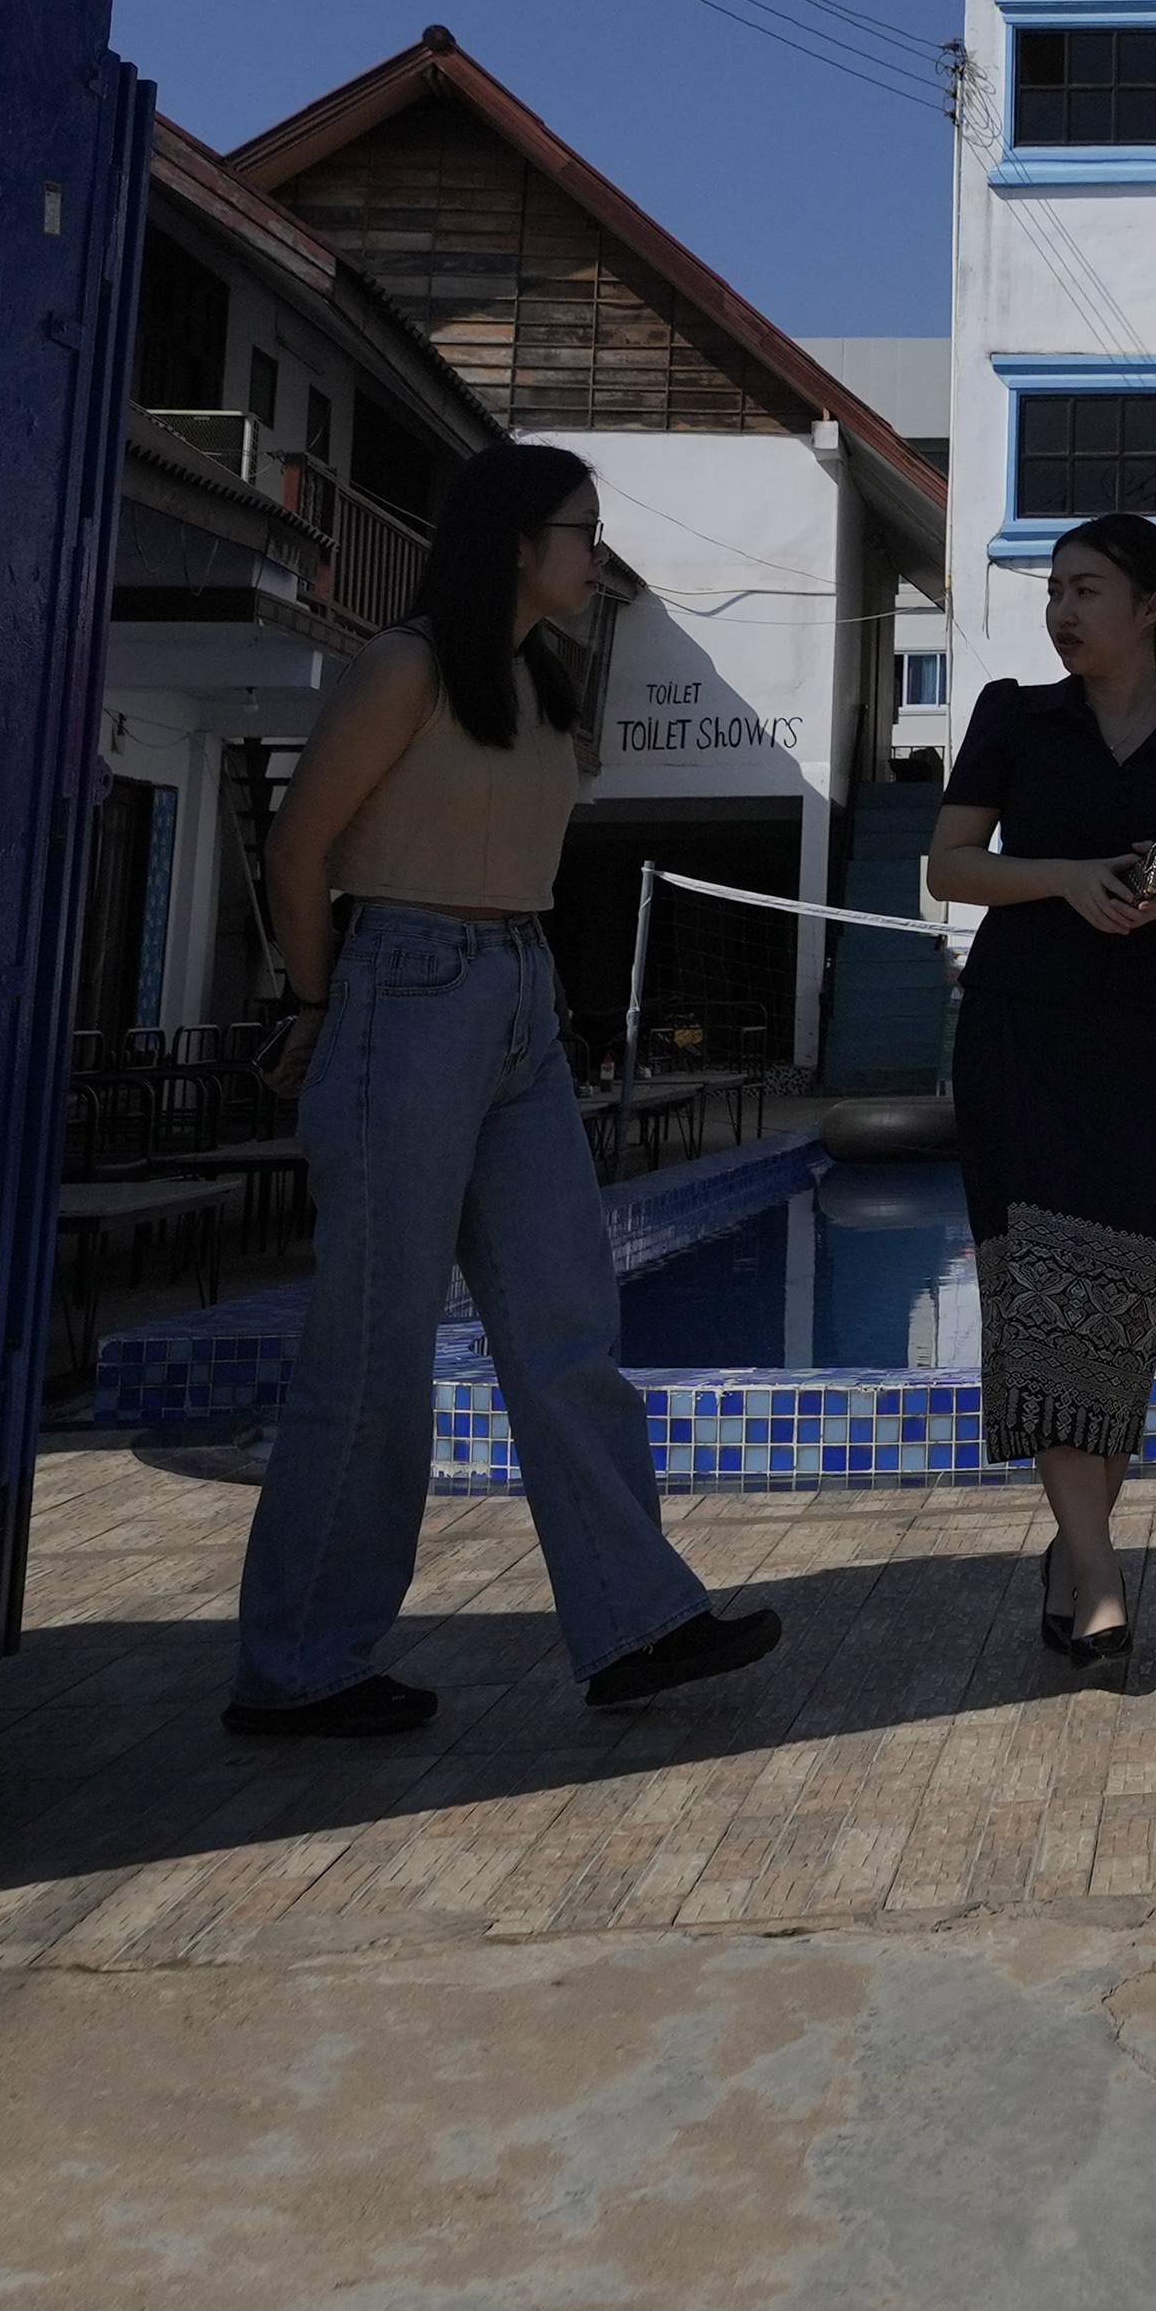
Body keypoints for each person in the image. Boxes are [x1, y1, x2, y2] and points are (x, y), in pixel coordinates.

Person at [224, 440, 781, 1738]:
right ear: (514, 539)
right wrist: (315, 1002)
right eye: (583, 530)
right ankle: (297, 1660)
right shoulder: (404, 667)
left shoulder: (539, 681)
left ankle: (636, 1619)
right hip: (403, 982)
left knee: (564, 1316)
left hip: (518, 991)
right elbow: (298, 843)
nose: (598, 553)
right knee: (373, 1337)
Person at [929, 513, 1156, 1669]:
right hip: (1018, 1034)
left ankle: (1071, 1553)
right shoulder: (1011, 716)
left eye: (1087, 589)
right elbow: (949, 864)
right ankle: (1103, 1574)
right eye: (1054, 590)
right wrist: (1068, 878)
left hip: (1146, 1050)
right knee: (1039, 1307)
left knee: (1117, 1311)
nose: (1062, 610)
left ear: (1153, 603)